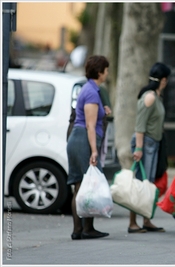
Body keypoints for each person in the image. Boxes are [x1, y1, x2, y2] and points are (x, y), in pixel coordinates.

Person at [67, 55, 110, 240]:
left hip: (76, 139)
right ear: (99, 72)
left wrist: (104, 111)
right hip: (84, 140)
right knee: (90, 183)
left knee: (80, 185)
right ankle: (87, 229)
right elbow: (90, 125)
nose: (107, 73)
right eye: (106, 70)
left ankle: (79, 230)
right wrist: (94, 151)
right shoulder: (92, 92)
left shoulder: (89, 89)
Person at [128, 62, 171, 233]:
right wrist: (138, 148)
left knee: (149, 184)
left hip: (154, 144)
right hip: (145, 143)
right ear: (163, 80)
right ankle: (132, 222)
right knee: (139, 182)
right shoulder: (150, 96)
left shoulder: (156, 95)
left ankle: (146, 219)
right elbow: (140, 125)